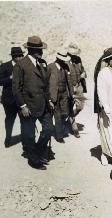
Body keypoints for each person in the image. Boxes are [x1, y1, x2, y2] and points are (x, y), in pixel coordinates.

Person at [12, 36, 54, 170]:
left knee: (49, 129)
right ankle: (34, 160)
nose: (40, 52)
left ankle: (37, 150)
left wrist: (49, 100)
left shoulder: (42, 63)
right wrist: (23, 106)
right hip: (28, 105)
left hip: (43, 104)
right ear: (30, 50)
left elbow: (45, 85)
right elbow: (16, 89)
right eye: (37, 50)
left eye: (41, 49)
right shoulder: (21, 65)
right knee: (29, 134)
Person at [0, 47, 24, 147]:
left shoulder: (24, 66)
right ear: (14, 57)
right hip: (9, 100)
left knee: (24, 119)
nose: (21, 58)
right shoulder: (5, 66)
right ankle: (8, 137)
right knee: (9, 119)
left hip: (22, 100)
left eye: (21, 55)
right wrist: (10, 78)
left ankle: (25, 139)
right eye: (19, 56)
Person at [48, 51, 74, 143]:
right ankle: (59, 135)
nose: (64, 61)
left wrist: (71, 94)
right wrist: (49, 98)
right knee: (57, 115)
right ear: (58, 59)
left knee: (65, 113)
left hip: (64, 94)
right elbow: (46, 82)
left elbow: (69, 82)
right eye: (62, 60)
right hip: (54, 95)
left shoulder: (65, 67)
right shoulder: (50, 67)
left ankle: (59, 130)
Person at [67, 44, 86, 138]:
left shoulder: (78, 60)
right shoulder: (64, 60)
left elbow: (83, 70)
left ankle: (69, 118)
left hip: (79, 86)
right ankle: (74, 129)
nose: (73, 56)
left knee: (80, 107)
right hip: (70, 87)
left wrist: (83, 74)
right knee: (70, 107)